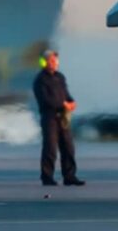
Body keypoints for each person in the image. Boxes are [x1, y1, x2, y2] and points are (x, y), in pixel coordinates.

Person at [33, 50, 85, 186]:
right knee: (50, 148)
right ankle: (47, 177)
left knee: (68, 147)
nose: (54, 63)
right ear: (44, 62)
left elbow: (65, 93)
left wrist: (71, 102)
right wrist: (63, 104)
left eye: (55, 61)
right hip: (49, 117)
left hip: (63, 118)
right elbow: (45, 100)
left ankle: (69, 176)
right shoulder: (40, 80)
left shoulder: (60, 77)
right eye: (51, 61)